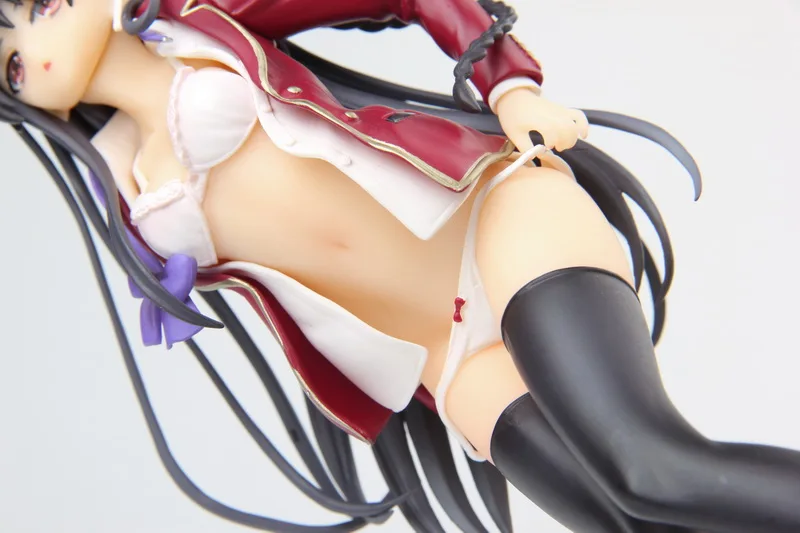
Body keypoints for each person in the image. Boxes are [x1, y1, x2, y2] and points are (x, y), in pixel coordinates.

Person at [1, 0, 798, 531]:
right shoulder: (123, 190)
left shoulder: (204, 25)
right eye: (7, 58)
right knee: (628, 522)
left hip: (490, 224)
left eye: (33, 8)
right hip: (443, 360)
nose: (32, 44)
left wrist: (511, 88)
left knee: (649, 469)